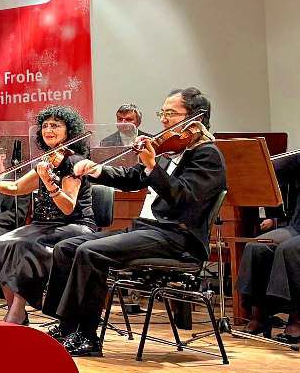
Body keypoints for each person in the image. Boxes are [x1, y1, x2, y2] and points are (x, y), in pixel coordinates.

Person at [51, 87, 226, 357]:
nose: (164, 120)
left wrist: (152, 166)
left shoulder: (207, 155)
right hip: (149, 231)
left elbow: (183, 198)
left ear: (196, 118)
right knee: (67, 247)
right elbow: (132, 178)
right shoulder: (170, 150)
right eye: (162, 113)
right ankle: (67, 327)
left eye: (171, 113)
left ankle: (87, 336)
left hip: (177, 238)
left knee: (90, 252)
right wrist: (97, 170)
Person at [0, 106, 97, 325]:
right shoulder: (47, 160)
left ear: (69, 130)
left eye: (55, 125)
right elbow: (17, 187)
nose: (48, 129)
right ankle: (16, 311)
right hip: (44, 225)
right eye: (45, 125)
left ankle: (16, 313)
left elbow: (68, 207)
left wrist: (49, 184)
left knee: (23, 246)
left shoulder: (73, 163)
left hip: (74, 225)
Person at [238, 152, 300, 344]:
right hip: (297, 226)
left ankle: (296, 318)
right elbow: (273, 170)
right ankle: (259, 315)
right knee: (256, 247)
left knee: (289, 249)